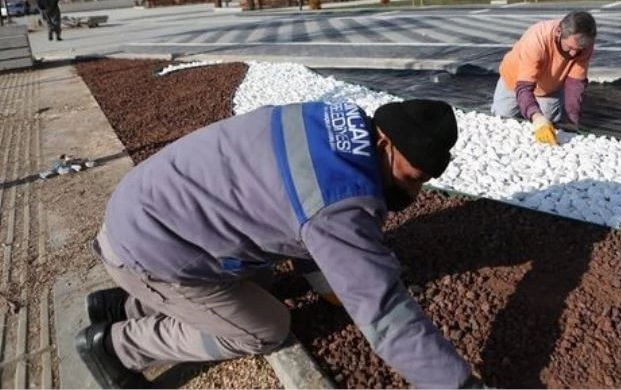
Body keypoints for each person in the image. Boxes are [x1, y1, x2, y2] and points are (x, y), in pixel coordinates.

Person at [75, 99, 485, 389]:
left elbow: (298, 216)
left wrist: (327, 285)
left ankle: (123, 304)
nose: (412, 195)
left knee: (263, 280)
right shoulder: (343, 200)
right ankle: (115, 347)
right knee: (265, 327)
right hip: (148, 252)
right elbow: (386, 315)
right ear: (383, 145)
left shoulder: (328, 117)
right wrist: (460, 385)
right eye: (411, 178)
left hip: (144, 210)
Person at [491, 10, 597, 146]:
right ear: (559, 32)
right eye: (570, 47)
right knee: (503, 117)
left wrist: (570, 119)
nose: (573, 53)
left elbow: (575, 85)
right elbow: (524, 87)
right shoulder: (537, 39)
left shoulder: (584, 44)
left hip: (548, 88)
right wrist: (537, 117)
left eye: (579, 49)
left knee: (550, 122)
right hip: (514, 80)